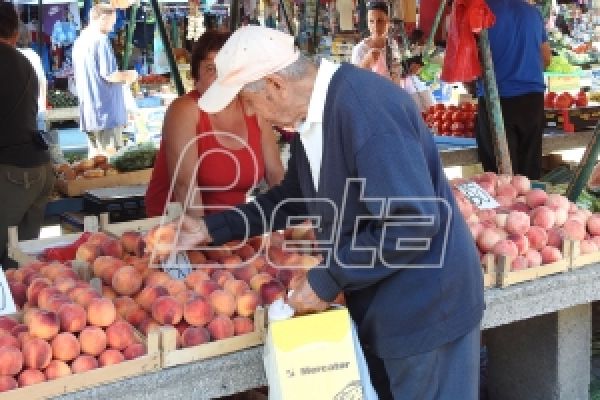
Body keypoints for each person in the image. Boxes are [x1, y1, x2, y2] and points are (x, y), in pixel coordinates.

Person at [176, 26, 484, 399]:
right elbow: (295, 197)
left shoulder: (365, 111)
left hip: (427, 309)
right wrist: (213, 228)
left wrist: (328, 278)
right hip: (385, 307)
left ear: (275, 85)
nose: (253, 116)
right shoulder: (314, 115)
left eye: (249, 102)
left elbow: (412, 223)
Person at [145, 31, 284, 218]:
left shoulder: (254, 110)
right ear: (196, 76)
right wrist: (205, 238)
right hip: (176, 225)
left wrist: (291, 220)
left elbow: (276, 174)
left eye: (228, 68)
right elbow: (184, 184)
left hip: (232, 228)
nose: (221, 77)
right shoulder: (184, 110)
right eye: (211, 68)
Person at [0, 2, 54, 268]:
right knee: (22, 259)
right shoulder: (24, 60)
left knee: (7, 257)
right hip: (38, 169)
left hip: (11, 172)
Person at [474, 0, 551, 180]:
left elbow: (471, 63)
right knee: (529, 171)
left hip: (498, 100)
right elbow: (546, 58)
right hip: (533, 99)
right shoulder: (533, 13)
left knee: (500, 177)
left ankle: (506, 208)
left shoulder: (480, 12)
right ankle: (530, 206)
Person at [72, 4, 137, 157]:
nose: (113, 26)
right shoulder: (100, 40)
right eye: (112, 22)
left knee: (96, 163)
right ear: (102, 19)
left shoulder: (80, 41)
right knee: (111, 164)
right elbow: (110, 75)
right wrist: (129, 75)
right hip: (106, 113)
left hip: (90, 113)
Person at [351, 1, 401, 80]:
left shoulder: (392, 44)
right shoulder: (360, 50)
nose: (375, 26)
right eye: (371, 21)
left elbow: (397, 71)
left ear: (388, 22)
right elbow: (354, 82)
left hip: (393, 90)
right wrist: (366, 62)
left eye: (380, 21)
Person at [17, 23, 47, 132]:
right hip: (36, 107)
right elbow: (43, 82)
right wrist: (43, 104)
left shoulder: (12, 56)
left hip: (21, 111)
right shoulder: (34, 55)